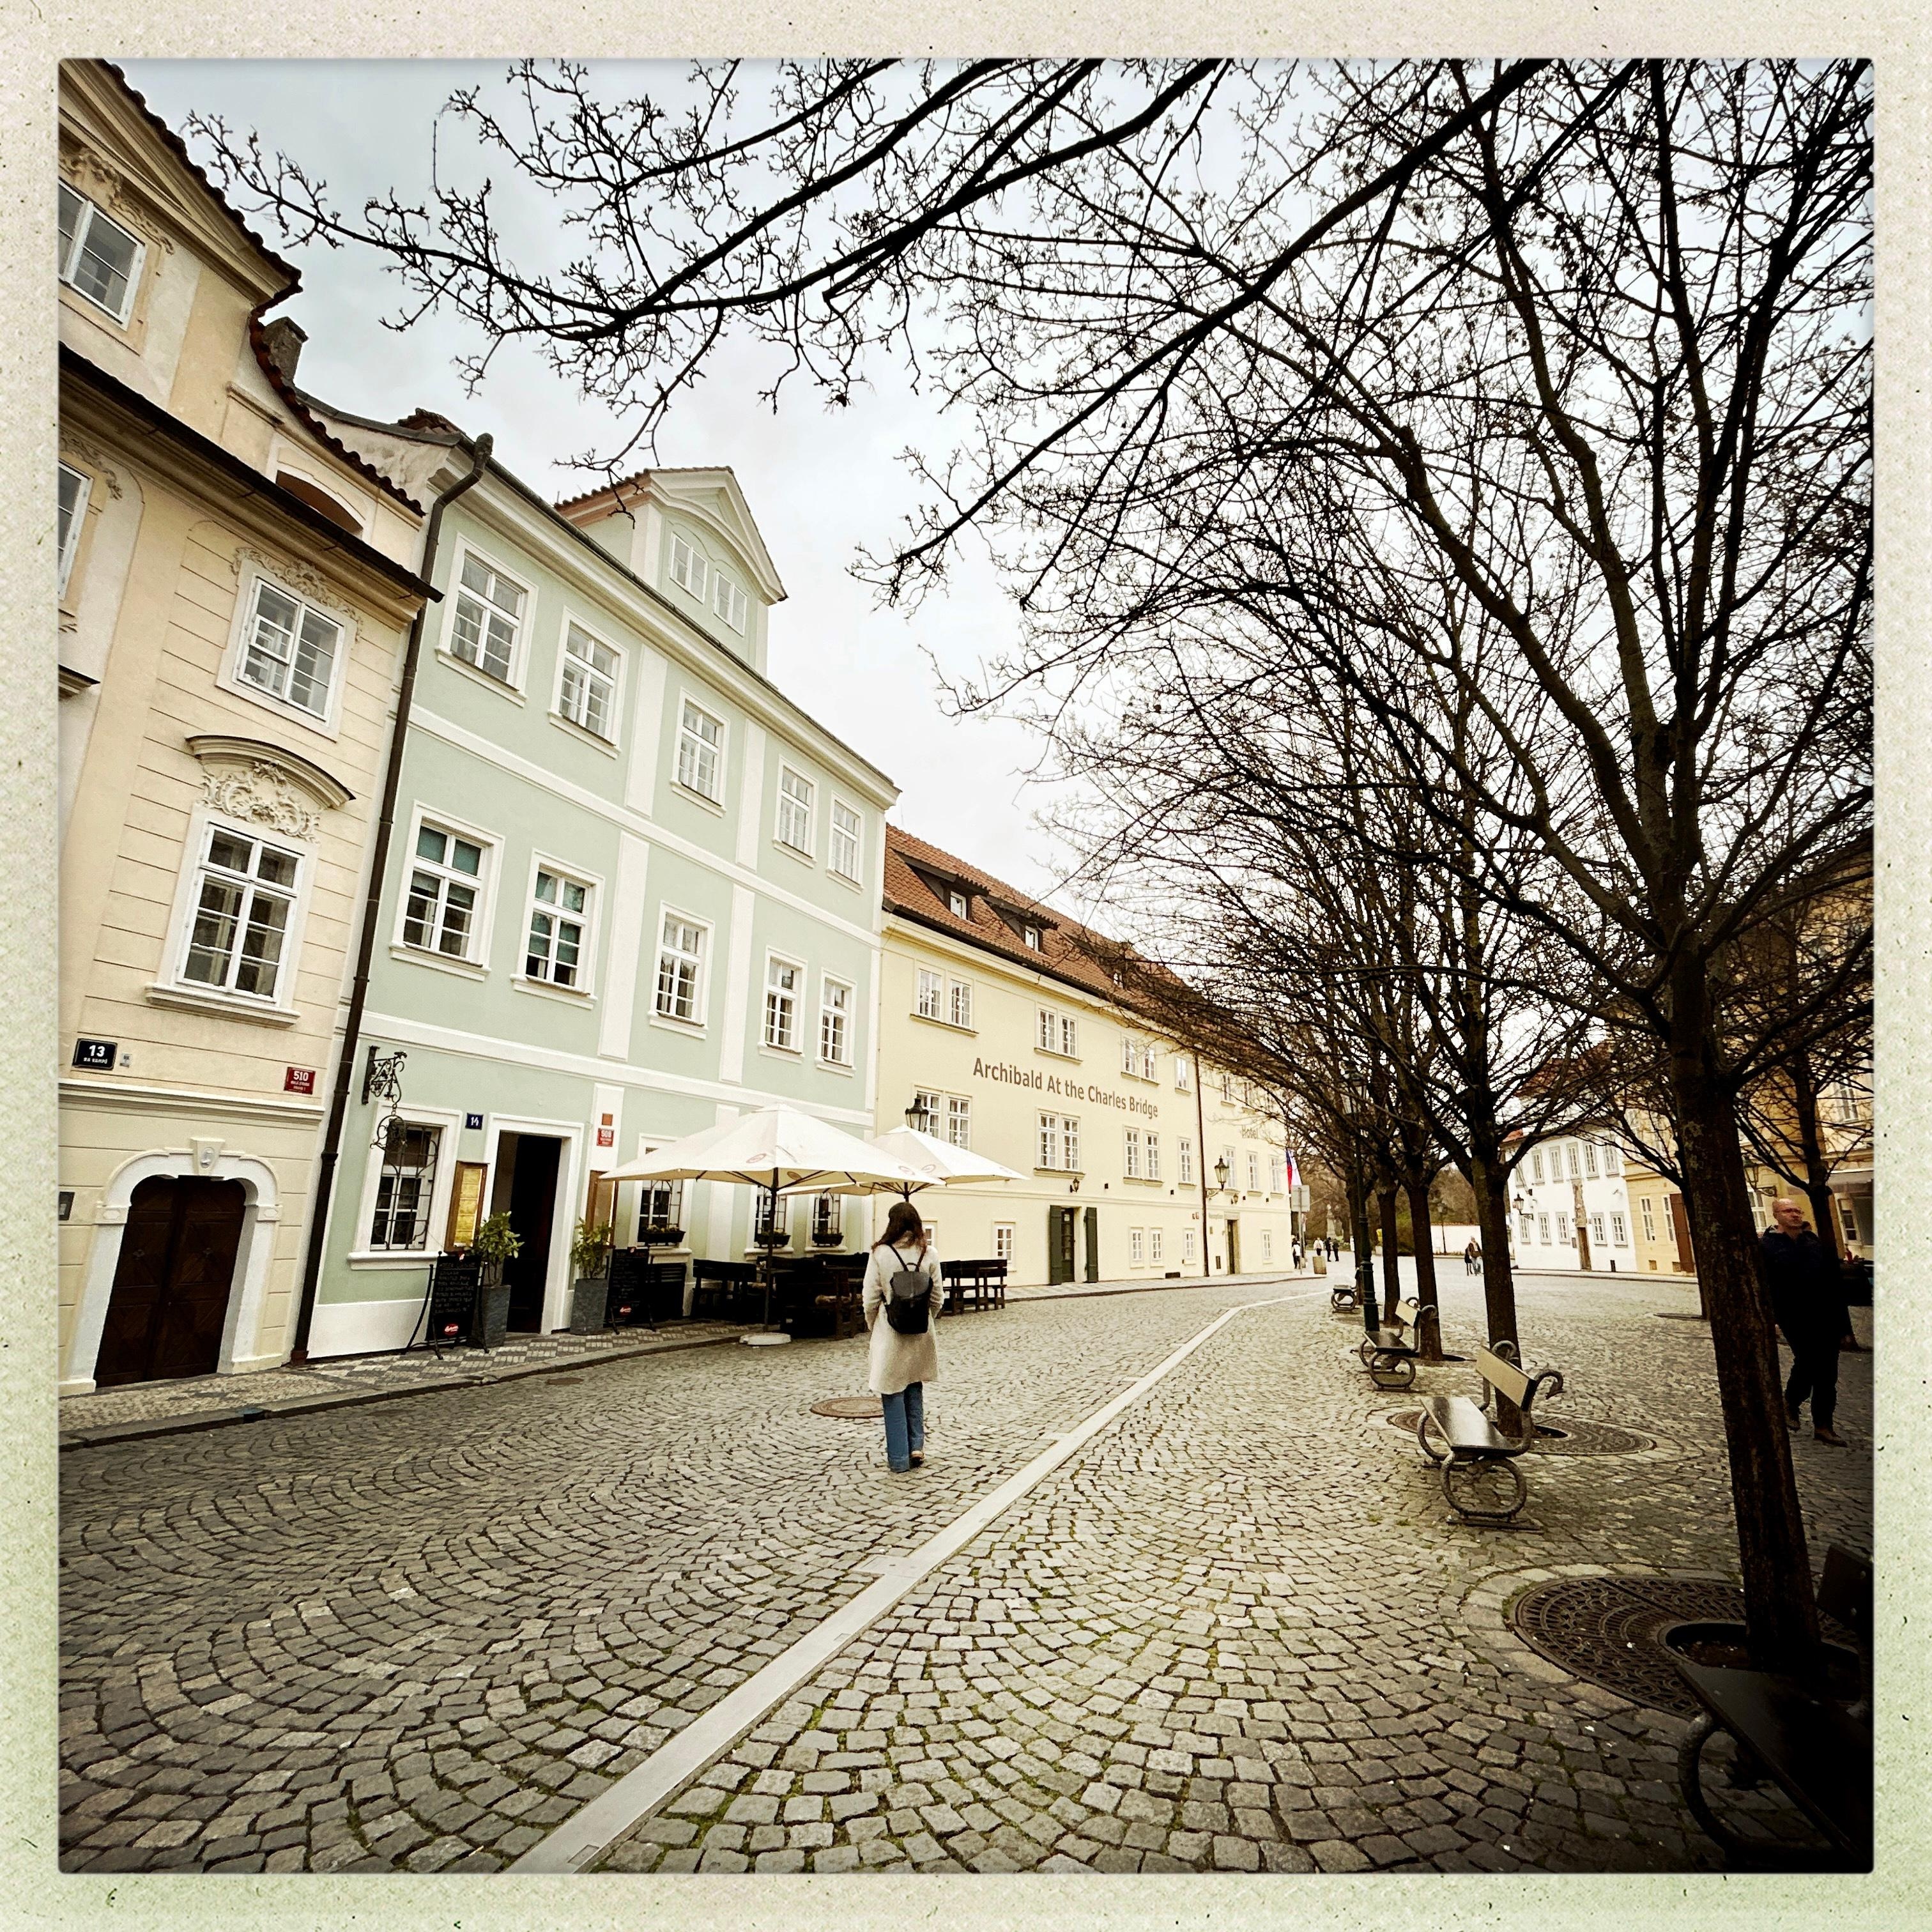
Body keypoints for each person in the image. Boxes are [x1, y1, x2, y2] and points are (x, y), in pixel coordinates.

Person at [862, 1200, 944, 1473]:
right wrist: (924, 1316)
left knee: (891, 1389)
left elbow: (870, 1298)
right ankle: (917, 1446)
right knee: (913, 1384)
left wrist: (873, 1323)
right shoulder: (929, 1253)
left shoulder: (880, 1254)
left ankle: (899, 1458)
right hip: (921, 1331)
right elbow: (937, 1299)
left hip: (891, 1330)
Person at [1761, 1197, 1847, 1445]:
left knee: (1828, 1372)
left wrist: (1843, 1324)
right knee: (1808, 1360)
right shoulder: (1767, 1245)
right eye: (1788, 1211)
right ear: (1776, 1215)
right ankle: (1791, 1401)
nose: (1795, 1215)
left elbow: (1833, 1283)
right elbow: (1765, 1285)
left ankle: (1823, 1425)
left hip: (1825, 1314)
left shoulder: (1814, 1243)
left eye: (1797, 1210)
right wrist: (1771, 1319)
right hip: (1793, 1315)